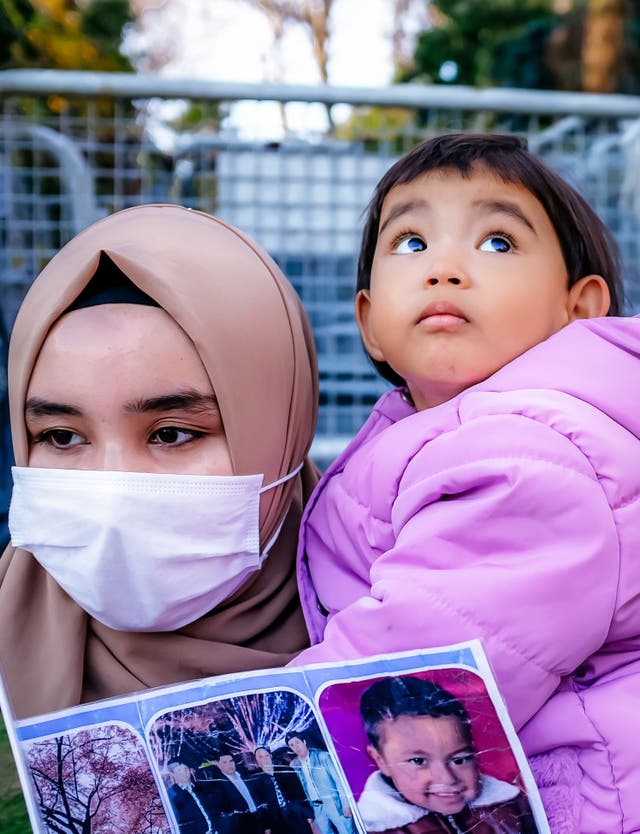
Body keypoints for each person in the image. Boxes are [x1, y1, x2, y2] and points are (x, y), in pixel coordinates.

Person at [292, 134, 640, 833]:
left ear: (579, 309)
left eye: (498, 242)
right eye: (413, 243)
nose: (445, 269)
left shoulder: (531, 453)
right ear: (370, 325)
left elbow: (407, 658)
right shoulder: (432, 430)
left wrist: (275, 729)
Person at [0, 203, 318, 721]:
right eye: (61, 436)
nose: (111, 493)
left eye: (172, 433)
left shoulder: (408, 609)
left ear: (281, 430)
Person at [357, 676, 534, 834]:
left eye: (459, 759)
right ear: (380, 760)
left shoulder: (512, 805)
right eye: (418, 761)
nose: (447, 779)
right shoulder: (374, 827)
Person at [286, 731, 354, 834]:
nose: (296, 747)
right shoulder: (295, 766)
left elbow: (339, 781)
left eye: (297, 742)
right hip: (316, 808)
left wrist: (345, 804)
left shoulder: (323, 756)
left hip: (334, 804)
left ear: (304, 742)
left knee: (346, 831)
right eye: (292, 745)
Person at [253, 744, 315, 834]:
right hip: (276, 819)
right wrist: (266, 826)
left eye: (266, 755)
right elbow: (261, 805)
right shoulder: (256, 780)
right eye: (260, 757)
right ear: (257, 761)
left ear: (270, 756)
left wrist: (308, 813)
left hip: (296, 813)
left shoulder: (285, 771)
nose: (265, 759)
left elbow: (300, 792)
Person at [208, 748, 268, 834]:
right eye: (224, 762)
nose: (229, 764)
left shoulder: (246, 776)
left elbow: (259, 799)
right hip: (242, 828)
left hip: (260, 821)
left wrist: (266, 824)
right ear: (219, 765)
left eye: (231, 761)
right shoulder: (218, 786)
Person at [166, 759, 220, 834]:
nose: (184, 772)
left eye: (185, 768)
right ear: (172, 774)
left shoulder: (200, 787)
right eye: (179, 770)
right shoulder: (172, 795)